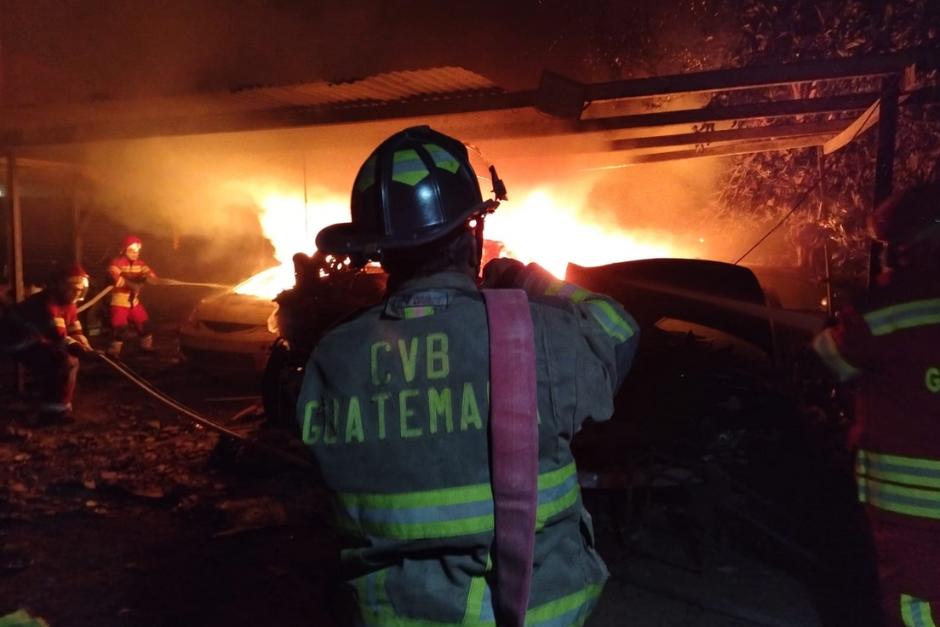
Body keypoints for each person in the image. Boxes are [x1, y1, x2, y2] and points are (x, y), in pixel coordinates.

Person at [296, 126, 640, 625]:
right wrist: (530, 279)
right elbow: (618, 328)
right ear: (473, 232)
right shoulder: (538, 333)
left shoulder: (334, 355)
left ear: (380, 251)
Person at [812, 182, 940, 627]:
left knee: (916, 603)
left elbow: (836, 360)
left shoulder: (889, 306)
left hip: (913, 506)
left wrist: (834, 330)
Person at [3, 264, 94, 424]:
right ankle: (51, 412)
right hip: (16, 341)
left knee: (67, 361)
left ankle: (59, 407)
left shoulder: (69, 303)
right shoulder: (48, 302)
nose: (78, 293)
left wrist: (82, 341)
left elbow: (73, 327)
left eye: (80, 290)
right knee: (62, 362)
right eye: (73, 289)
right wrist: (76, 347)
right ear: (61, 286)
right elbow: (58, 335)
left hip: (37, 339)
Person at [107, 234, 156, 357]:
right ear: (124, 250)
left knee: (144, 323)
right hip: (119, 302)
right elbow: (114, 278)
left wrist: (150, 278)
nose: (135, 253)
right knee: (120, 329)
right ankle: (113, 353)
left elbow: (150, 275)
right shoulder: (116, 262)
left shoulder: (140, 264)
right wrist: (133, 285)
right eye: (132, 250)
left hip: (133, 302)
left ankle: (146, 347)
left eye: (137, 251)